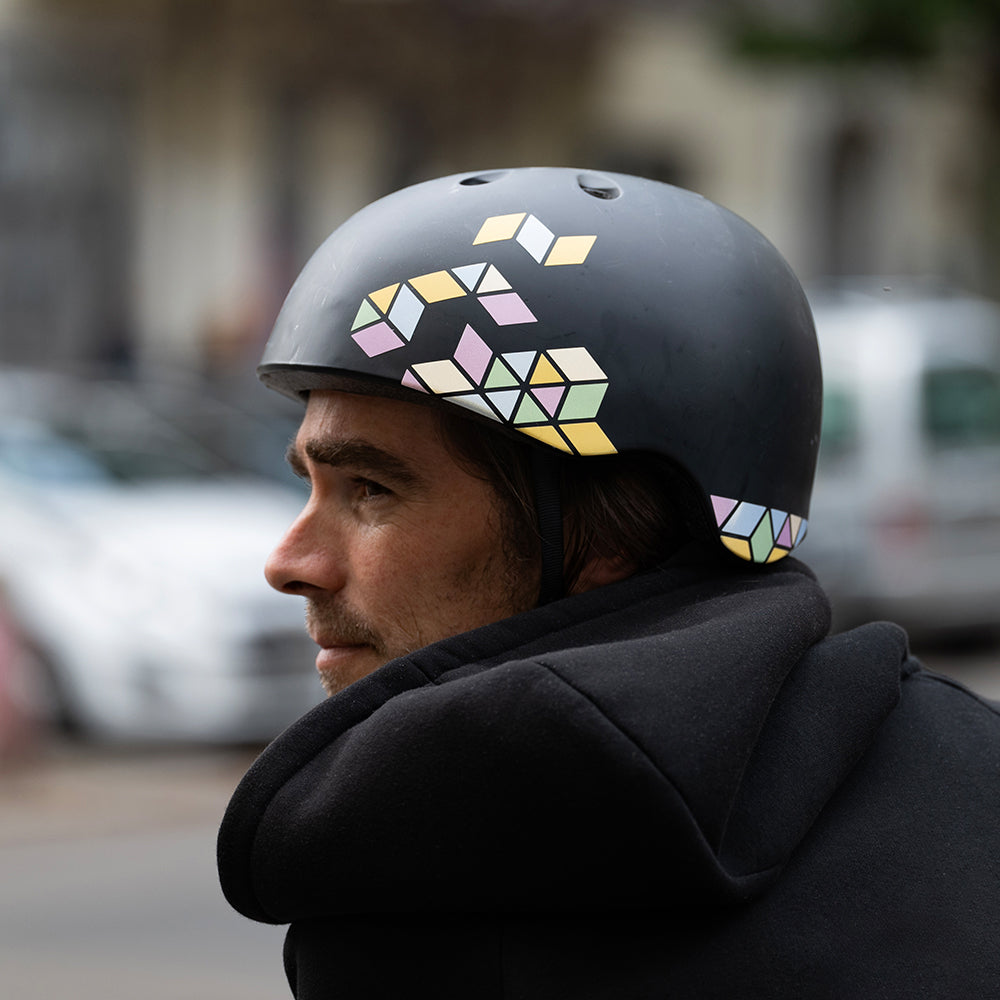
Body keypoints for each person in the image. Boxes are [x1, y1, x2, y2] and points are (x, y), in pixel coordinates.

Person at [217, 167, 1000, 998]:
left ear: (611, 534)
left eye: (370, 490)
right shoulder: (972, 771)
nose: (291, 563)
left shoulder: (415, 896)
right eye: (307, 482)